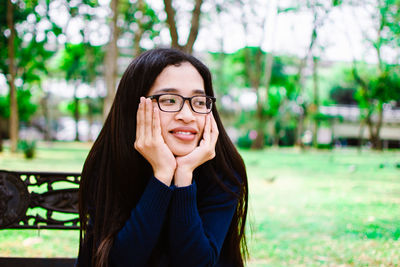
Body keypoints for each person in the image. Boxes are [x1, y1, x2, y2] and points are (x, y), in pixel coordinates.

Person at [77, 48, 249, 267]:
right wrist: (162, 176)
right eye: (168, 100)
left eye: (198, 101)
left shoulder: (223, 170)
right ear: (134, 106)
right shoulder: (109, 163)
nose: (187, 116)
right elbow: (119, 262)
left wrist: (184, 176)